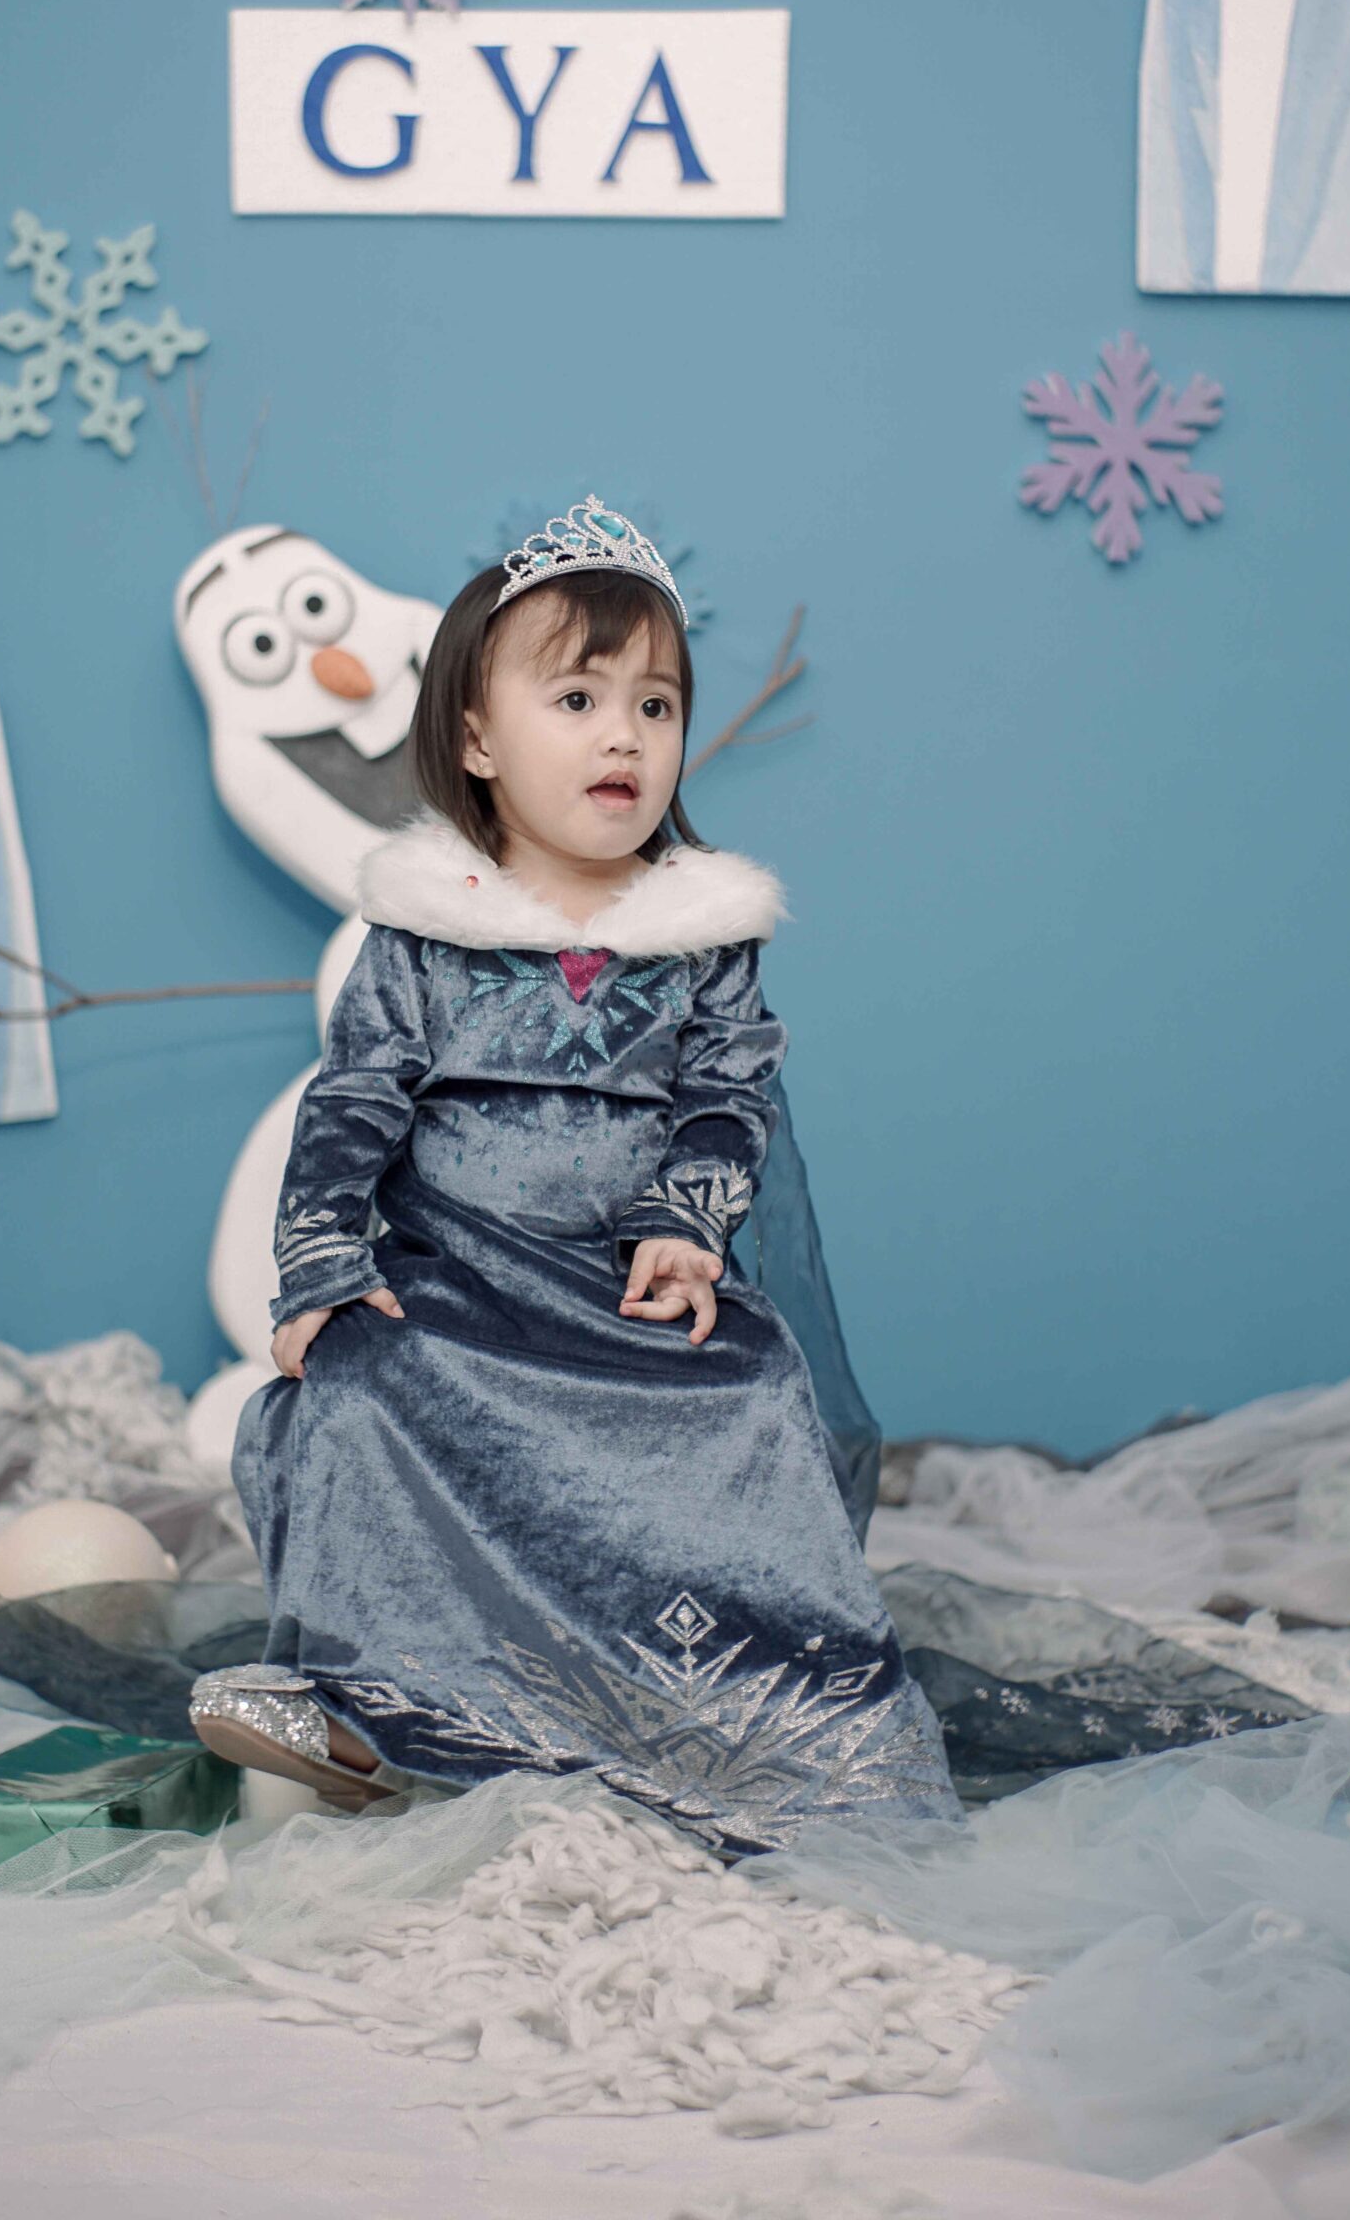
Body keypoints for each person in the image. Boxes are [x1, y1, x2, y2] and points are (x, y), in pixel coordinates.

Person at [191, 498, 964, 1859]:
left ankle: (760, 1715)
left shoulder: (699, 937)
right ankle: (376, 1702)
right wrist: (322, 1268)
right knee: (362, 1386)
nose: (625, 735)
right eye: (578, 699)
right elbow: (355, 1100)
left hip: (618, 1281)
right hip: (458, 1280)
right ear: (477, 741)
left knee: (747, 1387)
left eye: (655, 706)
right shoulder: (425, 930)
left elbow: (727, 1096)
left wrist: (687, 1227)